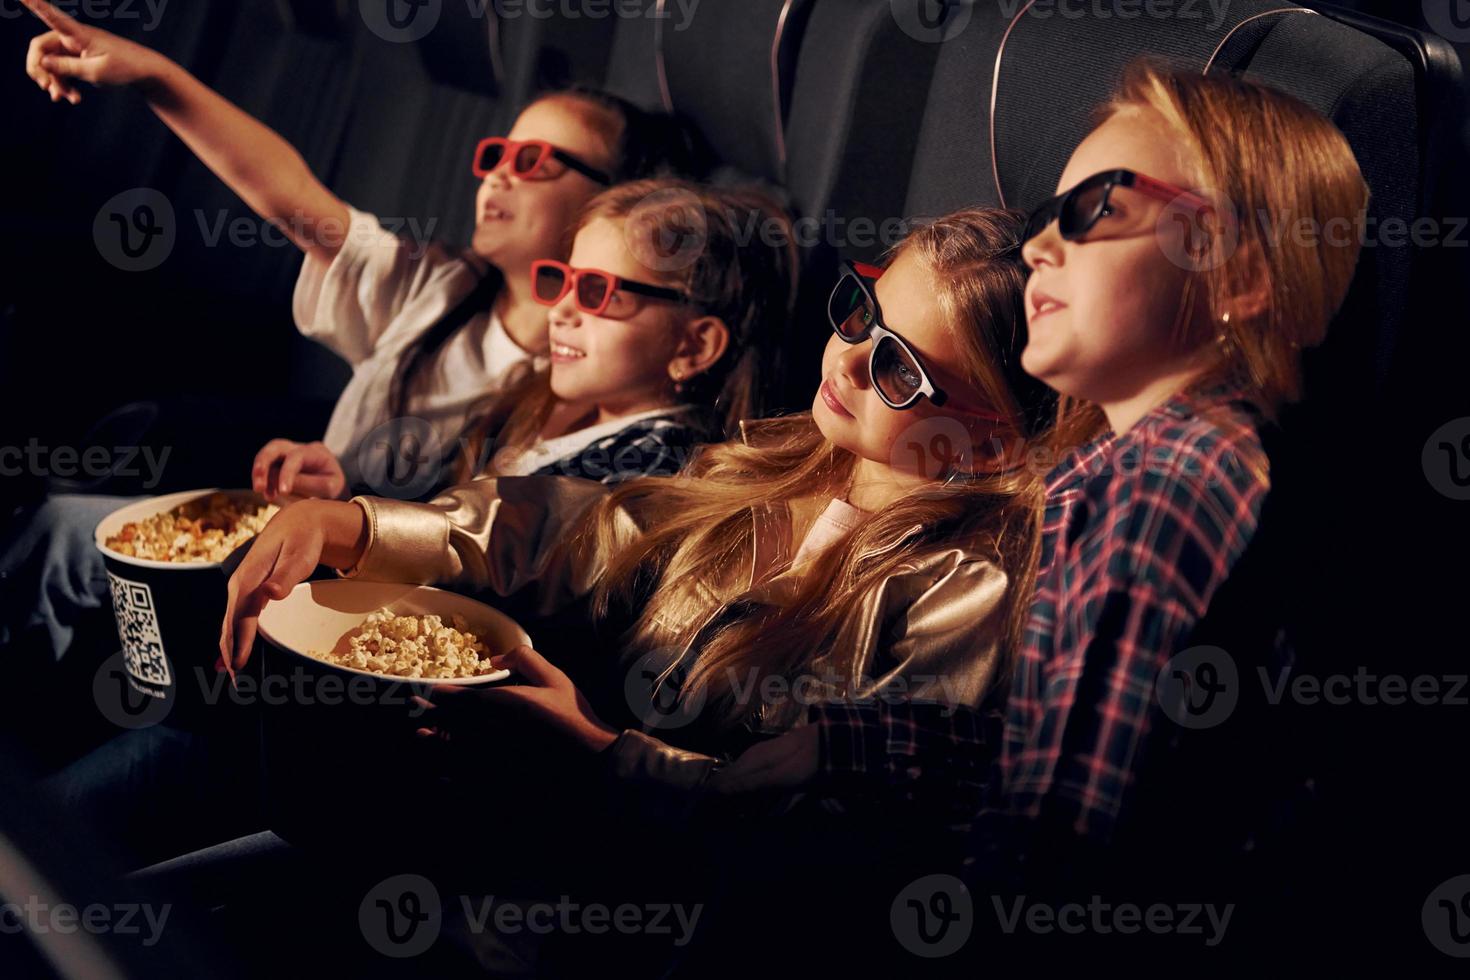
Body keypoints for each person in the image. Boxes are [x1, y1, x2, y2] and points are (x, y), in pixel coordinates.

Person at [684, 61, 1371, 971]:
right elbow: (1058, 750)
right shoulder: (1123, 469)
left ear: (1236, 277)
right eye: (1051, 215)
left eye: (1096, 212)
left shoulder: (1170, 489)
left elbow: (1059, 857)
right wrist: (859, 744)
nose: (1042, 245)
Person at [8, 0, 707, 674]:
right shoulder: (440, 287)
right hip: (299, 521)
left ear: (617, 202)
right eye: (498, 152)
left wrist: (352, 500)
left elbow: (479, 530)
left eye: (535, 162)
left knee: (68, 540)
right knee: (61, 533)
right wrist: (155, 76)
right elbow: (290, 197)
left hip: (352, 580)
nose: (498, 172)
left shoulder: (596, 375)